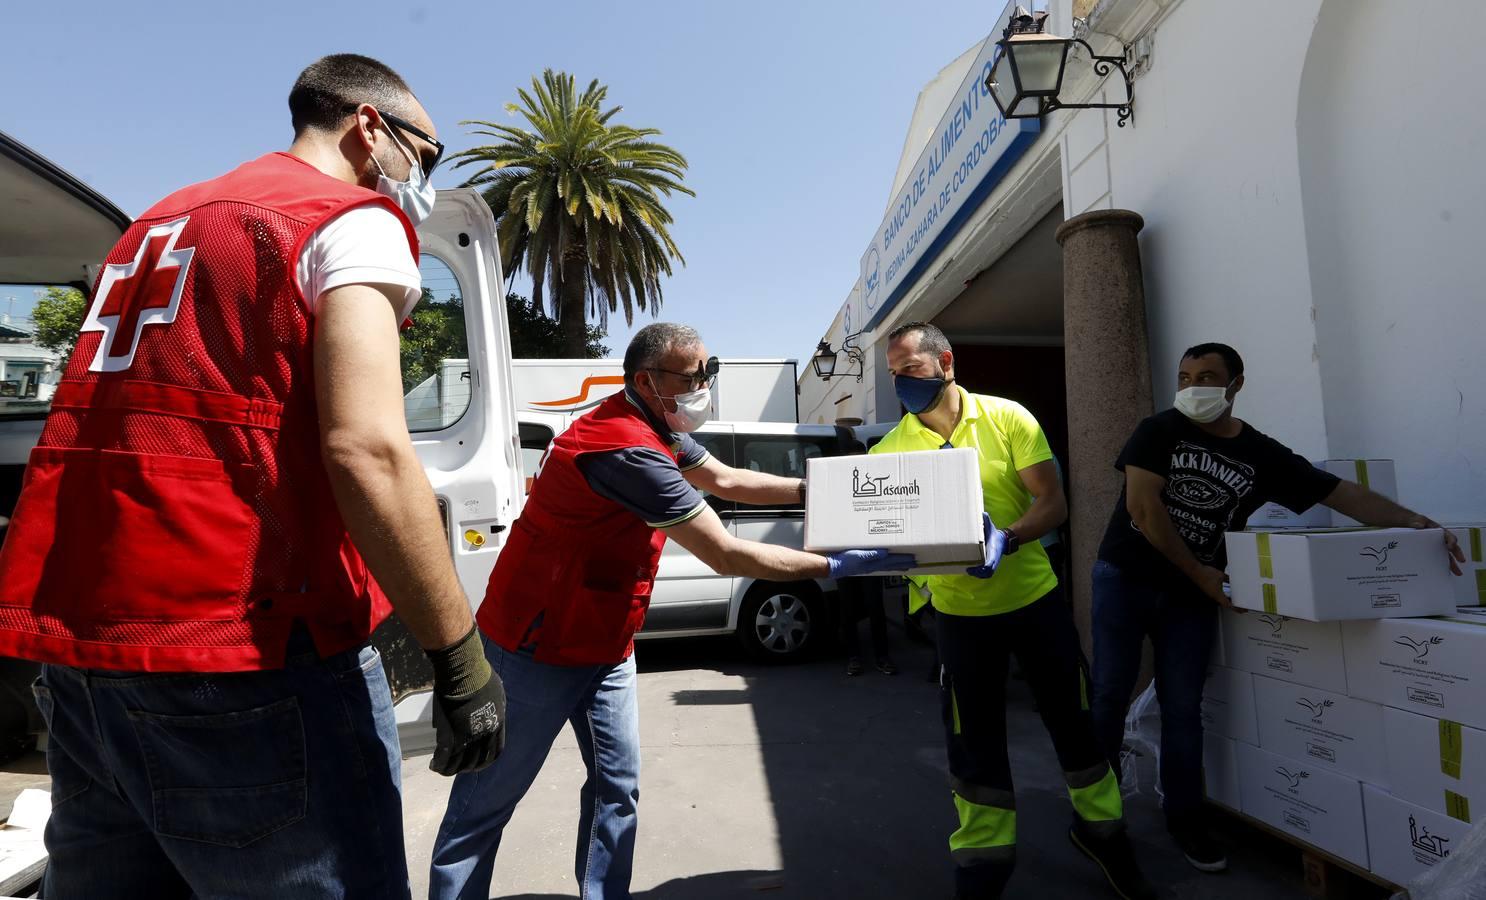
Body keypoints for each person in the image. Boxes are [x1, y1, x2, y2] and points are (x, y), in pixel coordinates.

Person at [0, 55, 508, 898]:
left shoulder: (156, 223)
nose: (422, 178)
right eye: (430, 153)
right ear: (369, 129)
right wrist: (460, 661)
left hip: (86, 651)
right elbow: (369, 449)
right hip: (245, 650)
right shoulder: (347, 218)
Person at [429, 322, 913, 900]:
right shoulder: (624, 448)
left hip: (607, 644)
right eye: (692, 377)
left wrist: (825, 491)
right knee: (486, 806)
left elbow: (728, 478)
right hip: (535, 648)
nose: (703, 387)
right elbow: (724, 552)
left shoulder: (658, 426)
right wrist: (833, 567)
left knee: (617, 790)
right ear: (646, 380)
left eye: (709, 373)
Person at [1089, 342, 1466, 874]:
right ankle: (1096, 817)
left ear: (1236, 384)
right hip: (1127, 578)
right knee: (1108, 692)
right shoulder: (1158, 431)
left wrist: (1421, 525)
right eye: (1186, 375)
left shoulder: (1260, 454)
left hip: (1191, 596)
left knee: (1183, 708)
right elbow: (1143, 508)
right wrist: (1200, 572)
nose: (1194, 386)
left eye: (1208, 376)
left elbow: (1338, 494)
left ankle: (1184, 818)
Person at [872, 322, 1154, 900]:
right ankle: (983, 860)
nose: (902, 383)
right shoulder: (891, 451)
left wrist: (1009, 538)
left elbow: (1053, 503)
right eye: (894, 374)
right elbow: (883, 530)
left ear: (945, 361)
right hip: (958, 618)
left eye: (911, 369)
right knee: (972, 742)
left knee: (1073, 721)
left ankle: (1103, 833)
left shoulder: (1008, 418)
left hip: (1034, 603)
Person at [839, 575, 896, 676]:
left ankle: (882, 657)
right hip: (844, 563)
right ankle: (853, 657)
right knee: (848, 609)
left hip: (869, 563)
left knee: (875, 607)